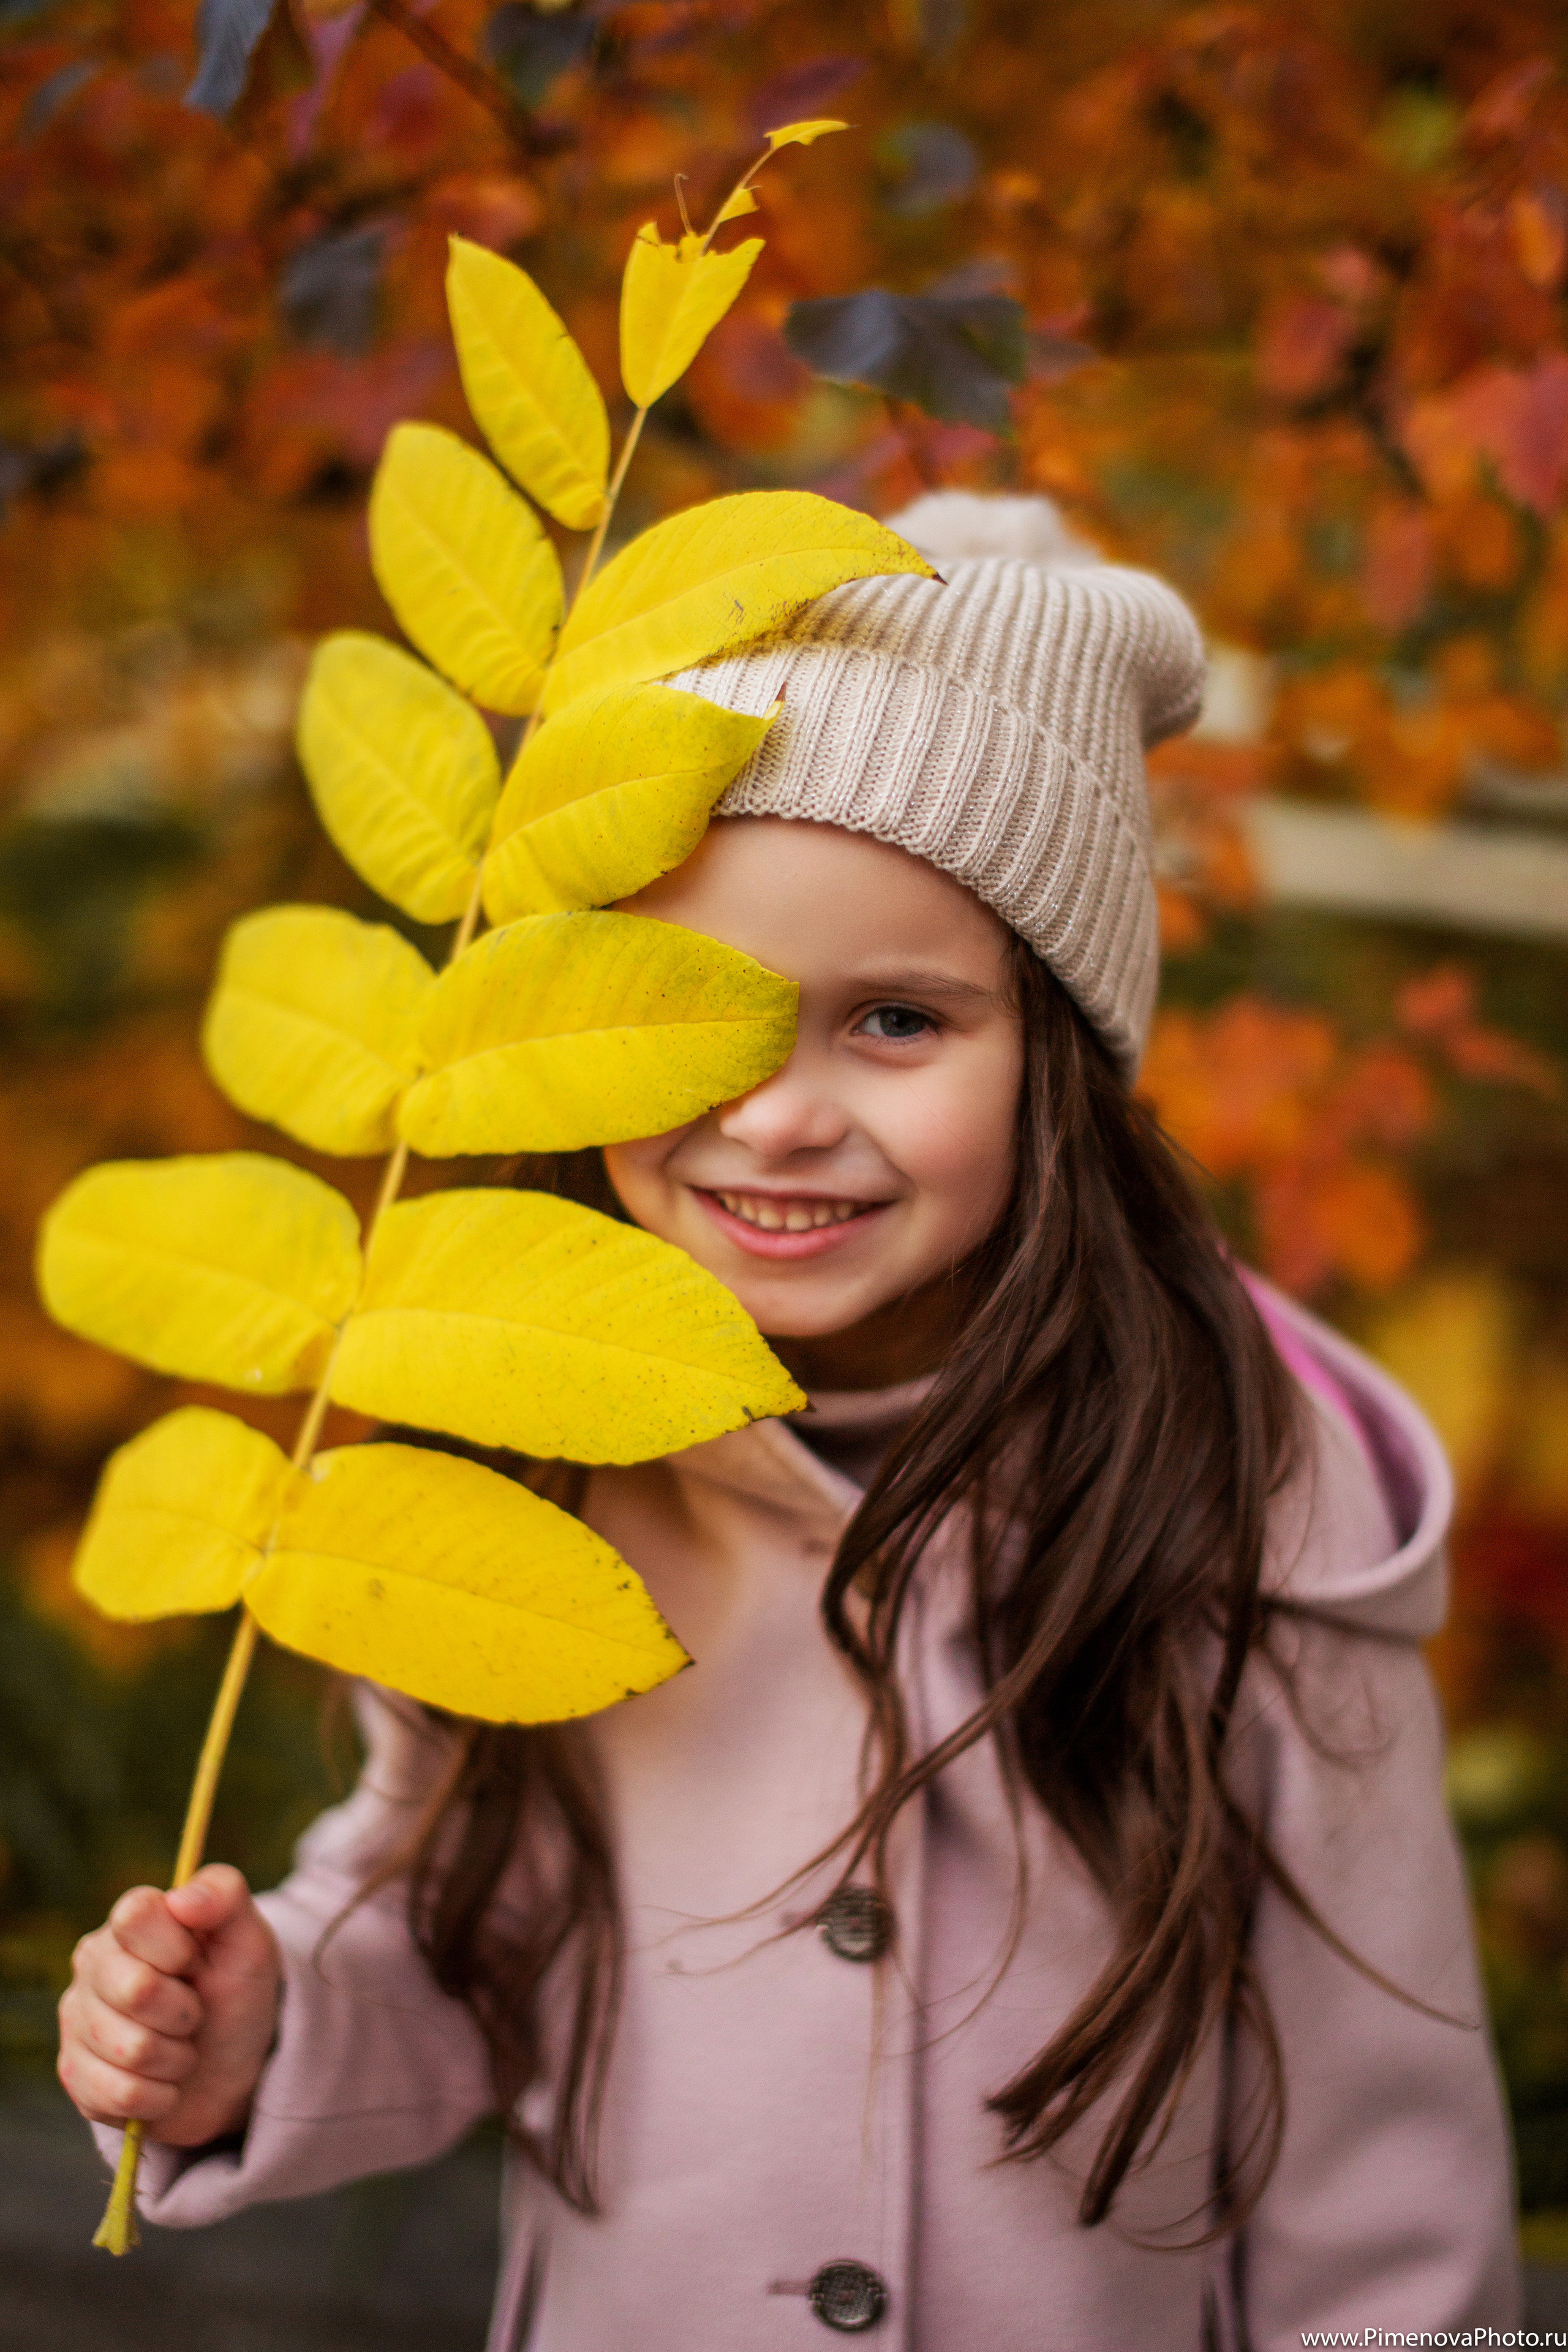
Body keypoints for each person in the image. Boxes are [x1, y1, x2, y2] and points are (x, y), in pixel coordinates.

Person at [57, 494, 1520, 2350]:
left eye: (895, 1021)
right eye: (694, 1019)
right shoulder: (510, 1432)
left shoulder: (1247, 1515)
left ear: (1059, 1059)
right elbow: (456, 1932)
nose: (775, 1117)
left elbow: (1383, 2188)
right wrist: (274, 2027)